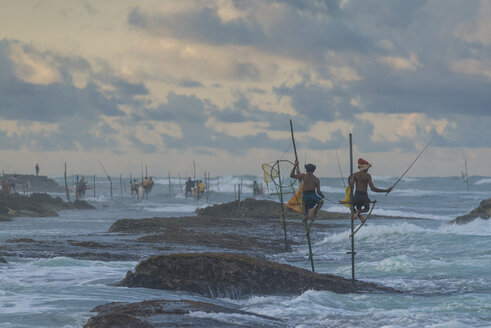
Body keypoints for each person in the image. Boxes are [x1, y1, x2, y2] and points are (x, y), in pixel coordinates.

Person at [349, 158, 392, 223]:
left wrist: (349, 180)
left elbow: (351, 187)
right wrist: (385, 190)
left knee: (352, 207)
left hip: (357, 195)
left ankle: (358, 214)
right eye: (368, 168)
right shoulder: (368, 176)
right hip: (364, 196)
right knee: (366, 209)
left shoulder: (355, 175)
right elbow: (373, 189)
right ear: (365, 168)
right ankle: (359, 213)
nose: (368, 170)